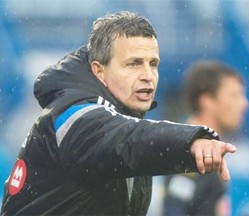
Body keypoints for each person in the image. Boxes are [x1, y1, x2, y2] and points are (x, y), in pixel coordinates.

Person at [0, 12, 236, 215]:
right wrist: (189, 143)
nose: (148, 75)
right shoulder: (76, 116)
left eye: (153, 64)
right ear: (99, 71)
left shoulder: (127, 123)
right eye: (133, 64)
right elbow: (125, 139)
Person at [162, 60, 249, 216]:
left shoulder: (206, 150)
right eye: (234, 95)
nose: (244, 104)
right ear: (207, 101)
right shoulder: (187, 154)